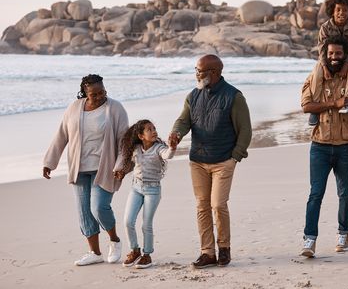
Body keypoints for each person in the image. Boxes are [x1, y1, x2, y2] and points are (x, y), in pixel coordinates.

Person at [168, 54, 252, 269]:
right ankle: (207, 252)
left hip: (224, 160)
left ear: (214, 73)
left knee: (218, 204)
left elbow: (245, 130)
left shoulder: (234, 96)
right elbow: (183, 120)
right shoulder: (193, 95)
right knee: (202, 206)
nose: (197, 74)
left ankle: (224, 248)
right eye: (196, 70)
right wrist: (176, 133)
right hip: (197, 160)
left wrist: (236, 157)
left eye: (200, 71)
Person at [43, 74, 129, 266]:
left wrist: (122, 165)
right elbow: (62, 134)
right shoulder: (74, 108)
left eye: (102, 92)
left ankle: (114, 240)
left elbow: (125, 141)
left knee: (98, 207)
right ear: (84, 93)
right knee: (84, 212)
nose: (100, 96)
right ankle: (95, 252)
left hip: (105, 167)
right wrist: (50, 161)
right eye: (94, 94)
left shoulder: (115, 108)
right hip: (79, 168)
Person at [300, 36, 348, 258]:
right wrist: (334, 104)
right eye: (330, 54)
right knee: (315, 194)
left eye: (338, 54)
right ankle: (309, 240)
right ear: (324, 55)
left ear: (344, 55)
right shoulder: (316, 78)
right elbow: (306, 105)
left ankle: (343, 233)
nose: (334, 57)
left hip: (345, 145)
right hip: (319, 146)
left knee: (344, 192)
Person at [114, 119, 175, 269]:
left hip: (153, 191)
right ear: (141, 136)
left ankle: (147, 255)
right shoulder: (136, 149)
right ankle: (135, 251)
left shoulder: (159, 148)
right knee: (128, 221)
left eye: (154, 128)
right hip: (136, 188)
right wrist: (122, 172)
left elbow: (168, 155)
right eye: (149, 129)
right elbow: (131, 165)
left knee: (146, 224)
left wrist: (172, 147)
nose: (154, 131)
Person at [309, 0, 348, 125]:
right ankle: (314, 109)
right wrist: (325, 67)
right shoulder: (325, 27)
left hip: (345, 60)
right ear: (332, 10)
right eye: (338, 10)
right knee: (316, 73)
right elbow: (321, 48)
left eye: (344, 10)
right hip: (328, 60)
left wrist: (346, 65)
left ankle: (347, 103)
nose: (341, 13)